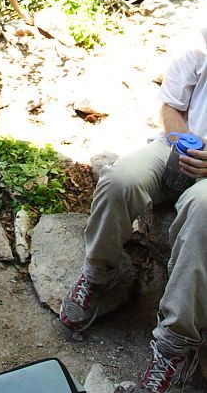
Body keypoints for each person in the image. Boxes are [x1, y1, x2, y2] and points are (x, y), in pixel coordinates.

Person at [60, 23, 207, 393]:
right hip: (177, 148)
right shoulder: (200, 39)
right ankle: (100, 273)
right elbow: (172, 106)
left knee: (201, 211)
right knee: (119, 180)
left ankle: (176, 343)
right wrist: (181, 143)